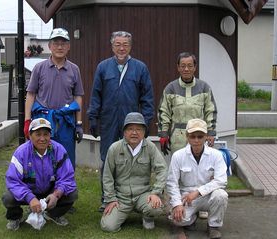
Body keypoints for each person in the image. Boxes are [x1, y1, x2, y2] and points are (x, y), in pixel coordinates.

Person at [87, 31, 154, 211]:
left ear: (130, 46)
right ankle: (106, 199)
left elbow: (147, 99)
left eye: (125, 44)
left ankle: (131, 198)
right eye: (118, 44)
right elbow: (96, 95)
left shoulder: (140, 68)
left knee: (131, 160)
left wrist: (145, 123)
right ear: (112, 46)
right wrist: (93, 117)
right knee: (108, 159)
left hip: (131, 123)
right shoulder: (103, 67)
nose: (121, 48)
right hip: (109, 121)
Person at [2, 118, 78, 231]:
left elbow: (67, 178)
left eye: (46, 134)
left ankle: (53, 214)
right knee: (8, 197)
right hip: (28, 191)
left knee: (72, 193)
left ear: (50, 135)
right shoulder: (21, 152)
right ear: (30, 135)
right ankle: (15, 217)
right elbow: (13, 181)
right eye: (38, 134)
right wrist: (30, 198)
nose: (42, 139)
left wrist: (56, 194)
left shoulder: (59, 150)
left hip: (50, 191)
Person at [24, 27, 84, 170]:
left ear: (68, 47)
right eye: (56, 43)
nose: (59, 47)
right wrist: (27, 121)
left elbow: (78, 96)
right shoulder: (39, 68)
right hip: (43, 121)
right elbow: (31, 94)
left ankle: (65, 189)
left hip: (66, 122)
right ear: (50, 46)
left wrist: (79, 123)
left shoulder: (74, 69)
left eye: (63, 43)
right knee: (42, 158)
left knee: (66, 159)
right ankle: (42, 188)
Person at [100, 112, 167, 232]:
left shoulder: (150, 147)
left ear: (144, 132)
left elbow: (162, 169)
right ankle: (121, 214)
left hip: (143, 195)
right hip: (121, 197)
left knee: (155, 208)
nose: (134, 132)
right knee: (108, 227)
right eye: (130, 129)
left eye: (139, 129)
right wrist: (110, 199)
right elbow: (107, 176)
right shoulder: (114, 148)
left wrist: (155, 192)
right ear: (124, 132)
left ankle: (148, 216)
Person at [166, 118, 228, 239]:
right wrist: (177, 204)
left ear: (206, 136)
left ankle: (213, 226)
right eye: (192, 136)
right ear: (187, 136)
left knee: (221, 195)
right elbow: (172, 182)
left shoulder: (216, 155)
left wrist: (198, 192)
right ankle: (192, 218)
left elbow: (221, 180)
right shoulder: (178, 156)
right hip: (187, 196)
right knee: (177, 220)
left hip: (208, 195)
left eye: (200, 136)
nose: (196, 140)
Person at [158, 52, 217, 155]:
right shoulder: (170, 88)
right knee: (179, 167)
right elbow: (164, 112)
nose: (186, 69)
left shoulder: (204, 87)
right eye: (183, 66)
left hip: (198, 136)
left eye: (190, 66)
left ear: (195, 67)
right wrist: (163, 134)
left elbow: (210, 111)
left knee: (200, 166)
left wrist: (211, 132)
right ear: (178, 67)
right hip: (177, 138)